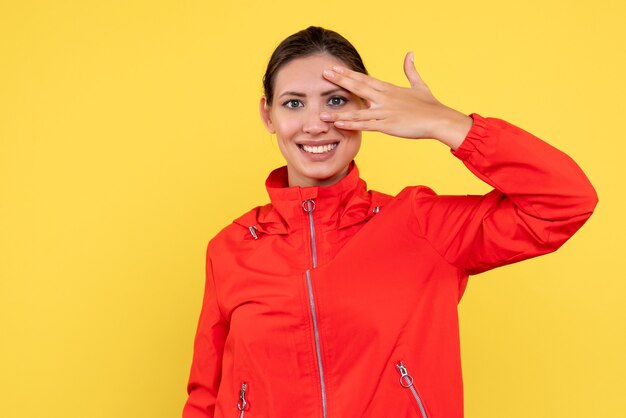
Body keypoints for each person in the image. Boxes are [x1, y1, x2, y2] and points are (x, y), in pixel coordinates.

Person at [183, 26, 597, 418]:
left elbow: (564, 201)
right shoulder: (231, 248)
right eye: (294, 103)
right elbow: (206, 395)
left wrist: (446, 124)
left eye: (336, 100)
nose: (315, 124)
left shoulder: (421, 225)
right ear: (268, 115)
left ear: (366, 106)